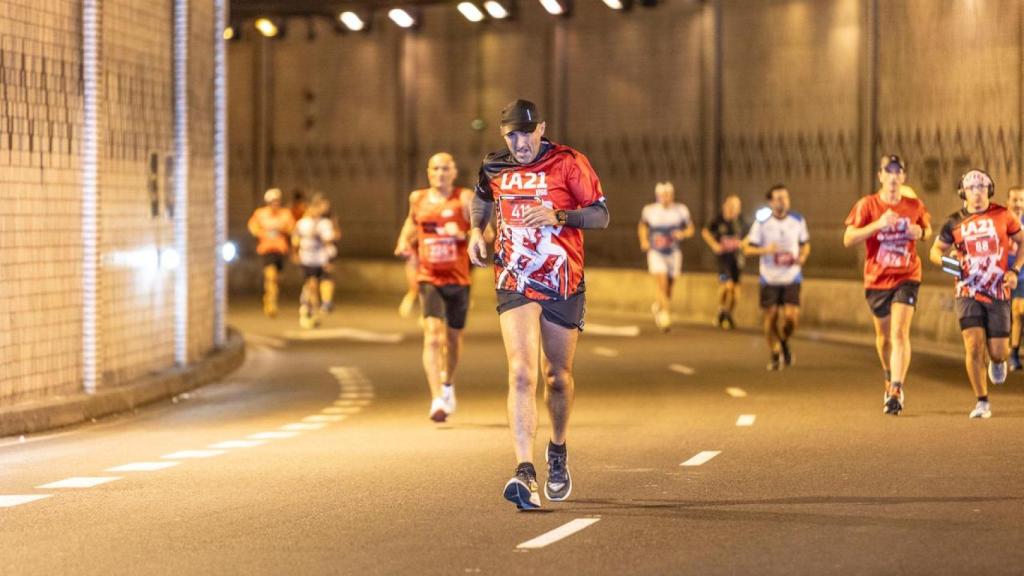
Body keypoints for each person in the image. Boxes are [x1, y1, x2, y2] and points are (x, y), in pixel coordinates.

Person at [468, 99, 609, 510]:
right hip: (514, 279)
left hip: (562, 281)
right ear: (503, 135)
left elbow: (601, 215)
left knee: (557, 377)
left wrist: (559, 217)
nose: (520, 142)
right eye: (511, 135)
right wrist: (476, 231)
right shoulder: (494, 165)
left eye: (526, 133)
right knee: (521, 373)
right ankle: (524, 471)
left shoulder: (569, 163)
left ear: (541, 129)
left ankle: (558, 451)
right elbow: (480, 196)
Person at [930, 170, 1024, 418]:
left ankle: (999, 361)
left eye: (982, 187)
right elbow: (934, 251)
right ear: (964, 193)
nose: (977, 192)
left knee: (998, 351)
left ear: (989, 191)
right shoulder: (954, 221)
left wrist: (1014, 269)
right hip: (967, 291)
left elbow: (1022, 241)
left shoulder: (1003, 215)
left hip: (998, 291)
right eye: (972, 188)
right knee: (973, 346)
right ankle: (982, 401)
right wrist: (948, 263)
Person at [843, 155, 931, 416]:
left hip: (907, 275)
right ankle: (887, 372)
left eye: (898, 171)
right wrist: (877, 224)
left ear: (903, 177)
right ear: (880, 176)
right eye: (888, 171)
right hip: (877, 278)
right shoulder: (867, 205)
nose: (893, 176)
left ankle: (895, 388)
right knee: (883, 339)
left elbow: (927, 230)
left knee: (900, 333)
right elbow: (848, 239)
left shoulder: (914, 205)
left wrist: (921, 233)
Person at [395, 153, 475, 423]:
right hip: (428, 277)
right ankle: (437, 399)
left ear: (454, 172)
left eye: (445, 169)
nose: (440, 173)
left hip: (459, 278)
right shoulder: (417, 198)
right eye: (435, 169)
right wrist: (404, 241)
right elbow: (411, 222)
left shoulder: (464, 199)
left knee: (452, 340)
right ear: (429, 172)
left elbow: (485, 232)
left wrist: (462, 234)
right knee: (432, 336)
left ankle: (448, 383)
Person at [743, 184, 810, 370]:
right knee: (770, 317)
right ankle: (774, 351)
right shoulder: (762, 223)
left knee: (791, 318)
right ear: (771, 202)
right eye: (779, 198)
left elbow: (805, 244)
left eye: (785, 198)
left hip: (791, 276)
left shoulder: (797, 220)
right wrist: (766, 250)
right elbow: (747, 249)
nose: (783, 202)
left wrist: (803, 257)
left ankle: (783, 341)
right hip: (769, 278)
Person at [638, 181, 694, 331]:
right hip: (656, 252)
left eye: (668, 195)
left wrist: (682, 234)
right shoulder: (649, 210)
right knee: (662, 283)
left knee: (670, 286)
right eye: (663, 195)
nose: (666, 198)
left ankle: (659, 305)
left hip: (673, 253)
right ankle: (665, 316)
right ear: (658, 196)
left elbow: (690, 228)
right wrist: (643, 241)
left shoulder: (681, 210)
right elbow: (642, 226)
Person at [247, 188, 296, 317]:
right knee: (271, 276)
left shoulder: (285, 214)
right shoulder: (260, 213)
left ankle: (270, 297)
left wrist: (282, 229)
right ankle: (270, 303)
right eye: (272, 201)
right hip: (267, 249)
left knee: (277, 279)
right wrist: (263, 232)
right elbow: (253, 227)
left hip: (281, 249)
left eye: (277, 201)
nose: (275, 204)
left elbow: (292, 229)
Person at [702, 195, 745, 329]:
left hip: (737, 260)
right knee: (727, 285)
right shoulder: (718, 220)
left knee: (736, 292)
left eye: (737, 207)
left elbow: (749, 237)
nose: (734, 209)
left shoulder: (740, 222)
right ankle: (721, 308)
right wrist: (714, 245)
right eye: (732, 206)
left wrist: (743, 244)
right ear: (725, 206)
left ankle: (728, 314)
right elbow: (705, 232)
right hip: (723, 261)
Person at [292, 195, 336, 328]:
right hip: (307, 258)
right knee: (311, 284)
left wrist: (329, 258)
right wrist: (295, 253)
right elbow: (295, 238)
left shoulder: (325, 224)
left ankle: (322, 303)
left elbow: (329, 241)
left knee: (326, 282)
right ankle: (310, 308)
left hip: (321, 258)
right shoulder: (302, 223)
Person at [1006, 187, 1024, 370]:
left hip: (1021, 274)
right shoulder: (1001, 222)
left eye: (1021, 200)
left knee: (1018, 312)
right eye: (1015, 200)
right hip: (1002, 275)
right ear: (1008, 202)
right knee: (1006, 316)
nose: (1018, 204)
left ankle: (1014, 353)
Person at [318, 194, 342, 313]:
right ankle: (310, 301)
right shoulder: (312, 220)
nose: (325, 207)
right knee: (313, 279)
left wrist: (330, 238)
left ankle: (326, 301)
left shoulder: (331, 218)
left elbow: (337, 235)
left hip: (328, 253)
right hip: (314, 254)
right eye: (322, 205)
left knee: (327, 276)